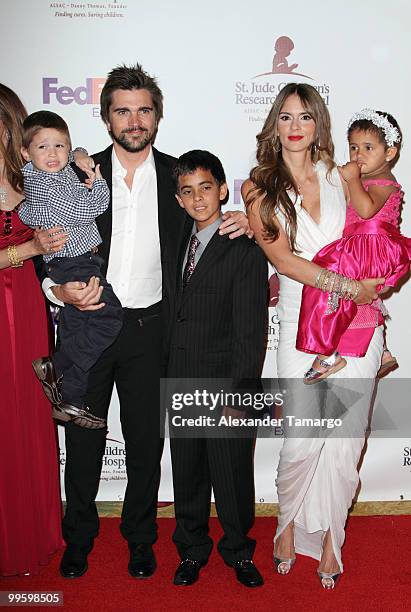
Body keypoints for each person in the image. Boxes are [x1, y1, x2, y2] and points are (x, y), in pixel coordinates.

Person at [43, 64, 249, 580]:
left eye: (143, 110)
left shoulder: (179, 177)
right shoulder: (74, 176)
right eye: (122, 110)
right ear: (106, 117)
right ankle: (80, 538)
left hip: (152, 330)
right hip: (89, 326)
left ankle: (140, 538)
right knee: (83, 441)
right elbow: (45, 244)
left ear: (157, 115)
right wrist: (56, 289)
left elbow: (213, 218)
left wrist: (248, 217)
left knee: (143, 444)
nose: (134, 120)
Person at [242, 83, 385, 589]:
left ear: (318, 122)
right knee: (301, 438)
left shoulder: (339, 174)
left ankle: (329, 538)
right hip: (301, 322)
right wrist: (349, 285)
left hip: (356, 325)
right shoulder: (257, 188)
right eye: (286, 116)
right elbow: (281, 260)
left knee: (344, 441)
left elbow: (374, 228)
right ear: (274, 125)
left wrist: (371, 288)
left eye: (305, 115)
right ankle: (286, 525)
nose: (296, 125)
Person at [168, 150, 267, 588]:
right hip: (181, 378)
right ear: (178, 199)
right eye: (187, 192)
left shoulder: (243, 250)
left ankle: (238, 551)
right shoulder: (174, 242)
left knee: (232, 474)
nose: (198, 198)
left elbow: (252, 330)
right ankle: (191, 550)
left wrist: (240, 395)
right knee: (187, 474)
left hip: (227, 381)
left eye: (206, 188)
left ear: (223, 190)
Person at [0, 83, 66, 576]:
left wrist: (80, 159)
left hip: (24, 307)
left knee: (28, 413)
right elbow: (25, 249)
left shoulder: (29, 174)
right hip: (6, 296)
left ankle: (31, 533)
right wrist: (27, 251)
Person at [19, 110, 121, 428]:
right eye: (43, 147)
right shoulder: (47, 185)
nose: (53, 154)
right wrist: (99, 182)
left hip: (76, 260)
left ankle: (70, 402)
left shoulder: (52, 172)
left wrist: (79, 157)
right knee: (109, 317)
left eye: (60, 146)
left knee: (77, 330)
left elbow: (69, 157)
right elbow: (88, 208)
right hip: (73, 263)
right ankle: (55, 364)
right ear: (26, 152)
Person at [296, 108, 410, 383]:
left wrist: (352, 179)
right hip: (361, 246)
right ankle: (381, 351)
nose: (358, 155)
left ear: (390, 153)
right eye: (354, 147)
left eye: (368, 147)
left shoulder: (386, 182)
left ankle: (328, 353)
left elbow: (366, 209)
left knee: (324, 280)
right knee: (340, 288)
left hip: (372, 246)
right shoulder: (365, 179)